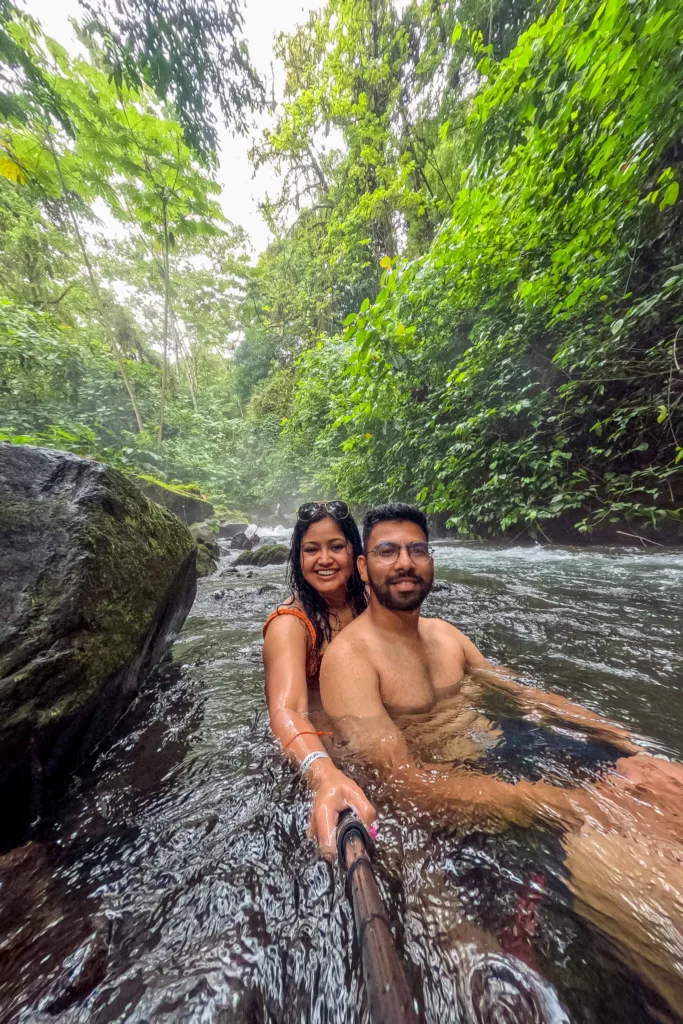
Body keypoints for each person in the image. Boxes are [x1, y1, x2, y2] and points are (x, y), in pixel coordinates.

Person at [319, 502, 683, 1012]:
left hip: (511, 751)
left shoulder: (446, 635)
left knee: (662, 779)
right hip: (464, 791)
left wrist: (622, 741)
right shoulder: (350, 661)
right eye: (387, 551)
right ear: (363, 567)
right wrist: (562, 803)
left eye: (416, 549)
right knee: (624, 855)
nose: (405, 562)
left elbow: (524, 694)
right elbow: (404, 784)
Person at [263, 500, 376, 858]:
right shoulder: (290, 624)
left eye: (336, 547)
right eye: (312, 549)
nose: (324, 559)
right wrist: (324, 773)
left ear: (355, 553)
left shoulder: (370, 603)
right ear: (299, 558)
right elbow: (289, 710)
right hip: (317, 750)